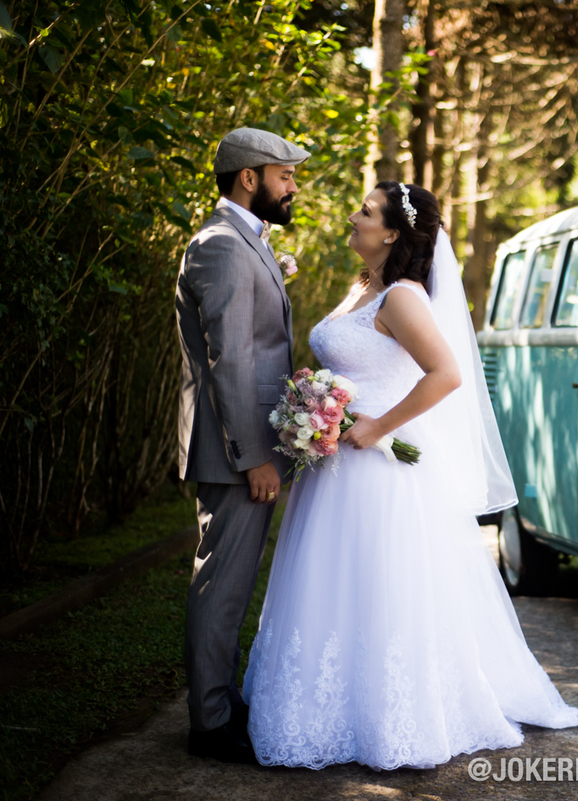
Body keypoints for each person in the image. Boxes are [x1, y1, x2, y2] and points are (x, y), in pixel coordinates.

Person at [242, 182, 578, 770]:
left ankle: (394, 717)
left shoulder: (403, 297)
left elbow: (446, 373)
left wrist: (378, 425)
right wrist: (318, 401)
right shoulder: (364, 288)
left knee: (384, 584)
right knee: (333, 583)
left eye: (365, 211)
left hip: (380, 467)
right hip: (336, 465)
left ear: (391, 233)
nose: (353, 216)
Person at [176, 127, 310, 763]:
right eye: (284, 175)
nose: (292, 187)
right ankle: (209, 724)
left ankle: (221, 703)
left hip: (248, 443)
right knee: (220, 585)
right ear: (249, 178)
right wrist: (254, 455)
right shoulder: (224, 246)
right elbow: (228, 360)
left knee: (228, 584)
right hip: (237, 451)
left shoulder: (246, 241)